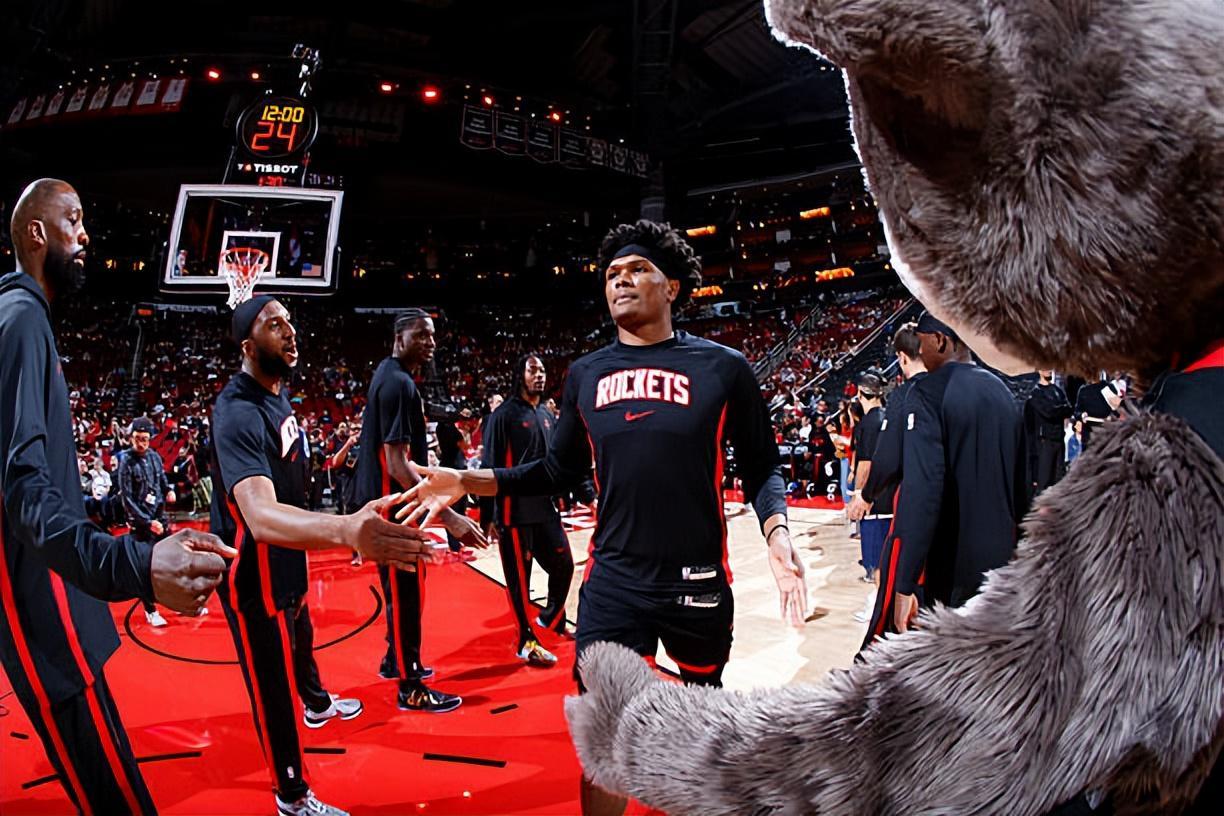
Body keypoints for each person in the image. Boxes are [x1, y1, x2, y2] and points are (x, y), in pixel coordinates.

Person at [402, 220, 807, 816]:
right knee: (607, 735)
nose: (621, 280)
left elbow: (761, 464)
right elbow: (554, 471)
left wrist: (776, 533)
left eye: (637, 269)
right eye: (612, 273)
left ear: (672, 287)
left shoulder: (723, 368)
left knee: (700, 731)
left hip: (696, 582)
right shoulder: (585, 375)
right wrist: (469, 479)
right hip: (615, 581)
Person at [1, 178, 233, 815]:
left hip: (55, 588)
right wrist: (134, 563)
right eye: (73, 220)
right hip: (42, 600)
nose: (86, 235)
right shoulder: (20, 320)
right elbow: (24, 491)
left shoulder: (25, 319)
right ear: (36, 233)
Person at [210, 295, 435, 816]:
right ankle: (292, 795)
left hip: (290, 558)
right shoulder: (237, 410)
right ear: (248, 347)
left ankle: (316, 704)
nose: (289, 331)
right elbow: (260, 516)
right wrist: (347, 530)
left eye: (289, 321)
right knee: (273, 690)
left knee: (303, 640)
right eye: (274, 325)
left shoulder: (277, 395)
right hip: (256, 572)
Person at [352, 308, 486, 714]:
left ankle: (394, 660)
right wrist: (450, 516)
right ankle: (410, 686)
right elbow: (396, 464)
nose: (430, 342)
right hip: (393, 509)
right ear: (399, 337)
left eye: (432, 335)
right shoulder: (399, 384)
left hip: (387, 506)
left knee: (402, 593)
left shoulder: (388, 375)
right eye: (421, 335)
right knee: (405, 594)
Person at [890, 312, 1025, 631]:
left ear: (940, 340)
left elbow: (923, 491)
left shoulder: (926, 392)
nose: (919, 351)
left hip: (953, 567)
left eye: (921, 341)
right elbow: (1021, 488)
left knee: (953, 659)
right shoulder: (1003, 391)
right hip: (1004, 565)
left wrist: (905, 582)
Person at [479, 353, 575, 667]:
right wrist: (487, 516)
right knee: (520, 583)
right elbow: (489, 466)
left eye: (543, 370)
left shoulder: (547, 414)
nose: (540, 375)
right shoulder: (503, 415)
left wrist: (571, 495)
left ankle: (552, 618)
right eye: (533, 370)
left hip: (545, 508)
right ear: (520, 374)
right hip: (513, 512)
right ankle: (526, 640)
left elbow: (556, 462)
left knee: (564, 565)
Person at [848, 324, 927, 647]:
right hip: (922, 496)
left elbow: (875, 461)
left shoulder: (901, 402)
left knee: (884, 562)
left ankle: (884, 609)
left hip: (892, 497)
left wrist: (861, 494)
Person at [117, 416, 176, 626]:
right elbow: (127, 499)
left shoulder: (154, 457)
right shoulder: (126, 461)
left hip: (160, 516)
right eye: (136, 439)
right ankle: (151, 610)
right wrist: (147, 522)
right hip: (141, 524)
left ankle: (176, 601)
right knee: (145, 568)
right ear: (131, 438)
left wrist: (168, 490)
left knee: (171, 561)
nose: (140, 443)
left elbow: (162, 479)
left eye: (144, 439)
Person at [845, 369, 887, 583]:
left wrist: (858, 495)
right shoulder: (890, 417)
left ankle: (873, 575)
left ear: (860, 393)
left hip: (873, 495)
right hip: (890, 489)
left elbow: (865, 463)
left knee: (873, 540)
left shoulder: (868, 423)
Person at [1024, 370, 1073, 498]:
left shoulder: (1057, 391)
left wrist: (1057, 409)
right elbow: (1048, 412)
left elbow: (1068, 409)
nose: (1048, 369)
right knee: (1043, 483)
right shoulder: (1036, 393)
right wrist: (1059, 409)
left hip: (1059, 441)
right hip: (1044, 442)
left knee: (1059, 481)